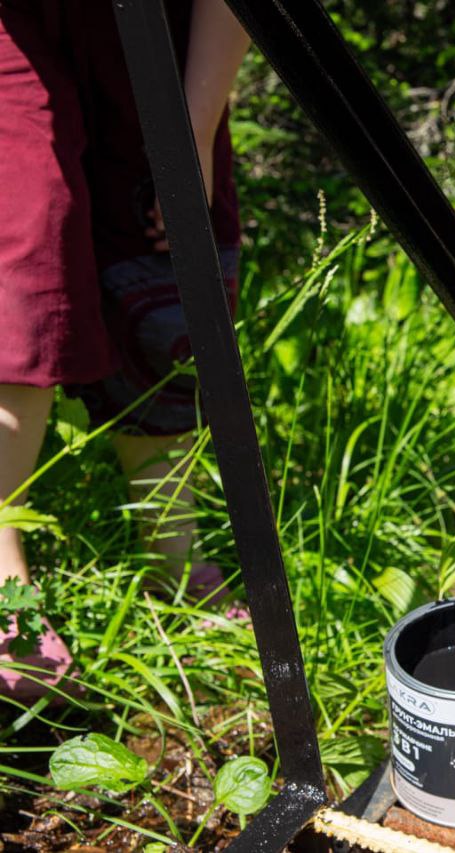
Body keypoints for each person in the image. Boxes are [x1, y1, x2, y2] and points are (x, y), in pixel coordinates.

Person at [0, 0, 250, 701]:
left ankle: (173, 553)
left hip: (155, 22)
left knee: (162, 248)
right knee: (24, 232)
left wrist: (193, 131)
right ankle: (2, 587)